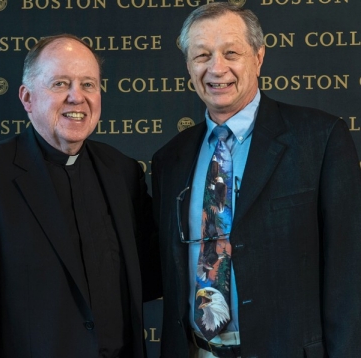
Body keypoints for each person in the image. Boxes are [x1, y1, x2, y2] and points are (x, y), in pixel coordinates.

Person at [151, 3, 361, 358]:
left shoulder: (320, 139)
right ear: (189, 66)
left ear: (258, 57)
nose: (217, 68)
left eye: (231, 52)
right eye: (202, 55)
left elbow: (350, 273)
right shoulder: (169, 159)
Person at [0, 34, 161, 358]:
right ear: (27, 98)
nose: (76, 97)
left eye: (88, 84)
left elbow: (152, 278)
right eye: (60, 84)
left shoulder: (123, 172)